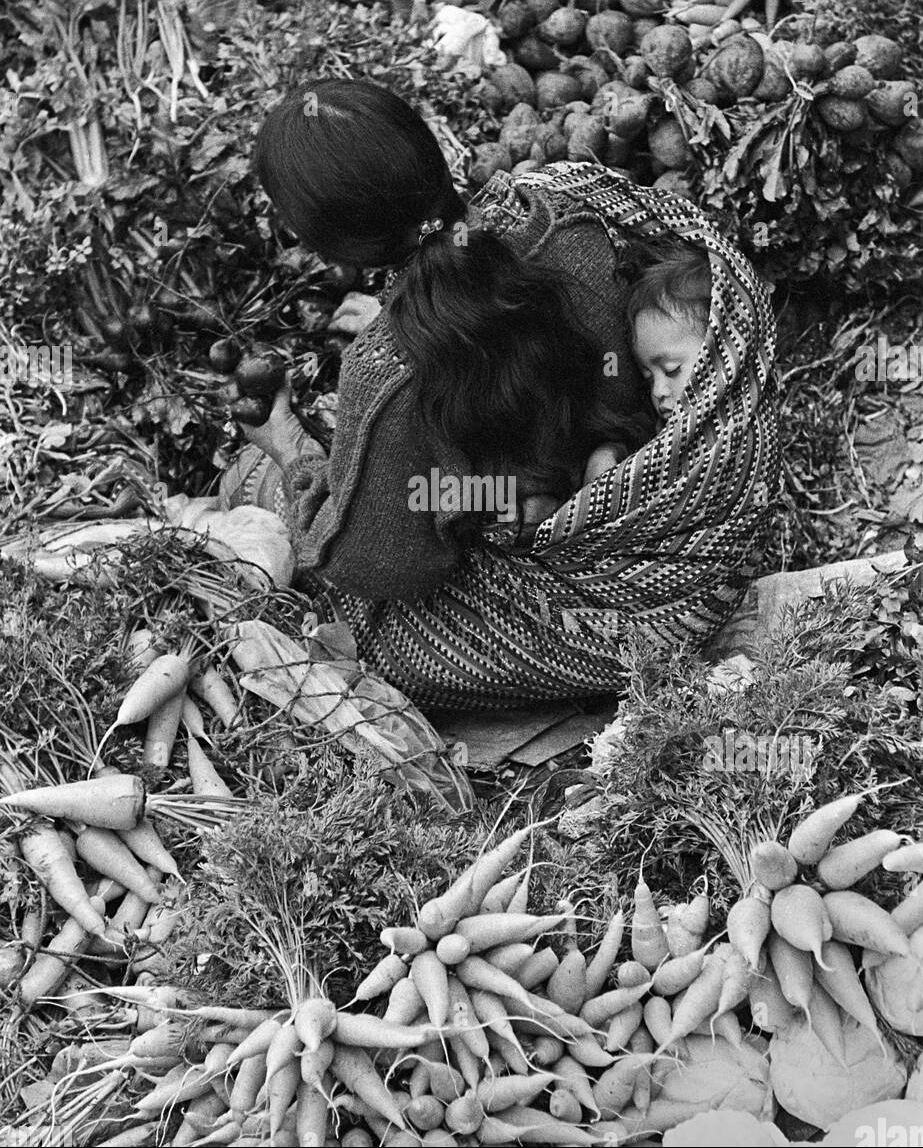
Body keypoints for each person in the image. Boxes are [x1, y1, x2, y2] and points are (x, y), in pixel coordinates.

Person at [228, 78, 779, 709]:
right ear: (430, 152)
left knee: (267, 493)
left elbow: (381, 566)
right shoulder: (570, 214)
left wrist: (292, 452)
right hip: (691, 532)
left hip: (599, 611)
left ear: (329, 245)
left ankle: (265, 467)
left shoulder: (386, 376)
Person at [583, 247, 711, 486]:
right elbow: (632, 435)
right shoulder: (657, 426)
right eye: (648, 378)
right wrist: (607, 455)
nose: (658, 391)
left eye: (672, 370)